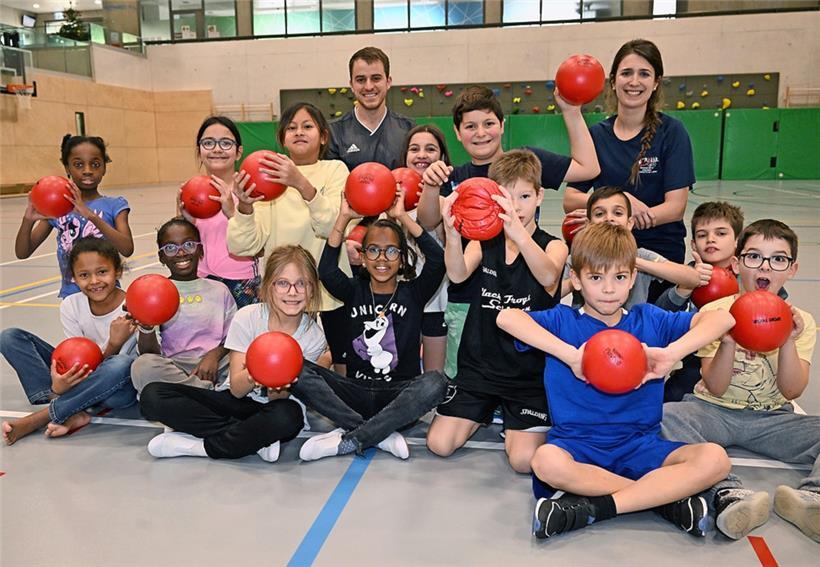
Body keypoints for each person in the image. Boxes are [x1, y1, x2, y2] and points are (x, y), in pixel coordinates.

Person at [496, 222, 734, 539]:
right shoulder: (562, 321)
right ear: (576, 280)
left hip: (641, 445)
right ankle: (662, 501)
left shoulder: (649, 319)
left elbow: (722, 317)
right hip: (577, 446)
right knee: (545, 461)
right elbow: (506, 317)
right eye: (596, 278)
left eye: (619, 277)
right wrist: (570, 356)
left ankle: (597, 508)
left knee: (715, 459)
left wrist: (670, 353)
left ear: (632, 278)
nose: (609, 289)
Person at [417, 84, 599, 379]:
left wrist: (571, 112)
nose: (481, 133)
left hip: (525, 299)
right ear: (457, 131)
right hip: (469, 301)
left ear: (502, 125)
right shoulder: (458, 177)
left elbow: (588, 168)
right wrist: (430, 185)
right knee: (468, 382)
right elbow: (428, 219)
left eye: (489, 123)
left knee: (523, 379)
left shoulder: (527, 164)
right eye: (471, 126)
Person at [662, 219, 819, 543]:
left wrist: (787, 339)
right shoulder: (715, 312)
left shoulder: (802, 321)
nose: (765, 266)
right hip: (711, 410)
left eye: (778, 259)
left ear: (792, 269)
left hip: (772, 417)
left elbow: (792, 390)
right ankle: (729, 493)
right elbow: (715, 386)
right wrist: (729, 341)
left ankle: (810, 500)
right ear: (736, 263)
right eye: (754, 257)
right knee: (663, 417)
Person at [426, 150, 567, 473]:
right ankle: (484, 411)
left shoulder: (553, 245)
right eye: (506, 197)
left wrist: (517, 232)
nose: (515, 206)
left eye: (524, 196)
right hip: (479, 369)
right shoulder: (483, 243)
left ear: (540, 196)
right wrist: (452, 235)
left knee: (522, 461)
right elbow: (459, 274)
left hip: (528, 376)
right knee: (439, 444)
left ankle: (512, 422)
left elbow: (548, 276)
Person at [290, 189, 447, 461]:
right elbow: (326, 270)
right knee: (292, 367)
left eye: (390, 251)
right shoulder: (353, 290)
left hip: (399, 397)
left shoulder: (415, 292)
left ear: (402, 259)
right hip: (355, 393)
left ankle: (354, 437)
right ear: (362, 257)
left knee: (436, 382)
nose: (382, 258)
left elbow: (437, 260)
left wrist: (401, 216)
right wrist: (343, 218)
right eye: (373, 250)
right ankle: (380, 434)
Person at [139, 245, 328, 462]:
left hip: (275, 409)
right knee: (152, 396)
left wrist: (279, 384)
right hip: (237, 401)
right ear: (268, 286)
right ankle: (254, 439)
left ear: (313, 289)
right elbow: (237, 390)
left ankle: (196, 446)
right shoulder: (247, 317)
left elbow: (280, 399)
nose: (292, 292)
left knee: (287, 417)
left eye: (302, 284)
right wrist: (256, 373)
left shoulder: (313, 337)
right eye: (283, 283)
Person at [563, 39, 695, 295]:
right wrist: (618, 205)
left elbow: (675, 207)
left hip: (658, 255)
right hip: (603, 253)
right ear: (613, 81)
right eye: (626, 73)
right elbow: (571, 198)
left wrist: (628, 218)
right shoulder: (596, 136)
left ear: (656, 82)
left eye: (644, 74)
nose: (634, 82)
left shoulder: (673, 132)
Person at [227, 102, 351, 371]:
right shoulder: (268, 175)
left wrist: (300, 183)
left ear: (323, 136)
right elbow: (242, 245)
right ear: (283, 138)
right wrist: (245, 206)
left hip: (331, 289)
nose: (299, 132)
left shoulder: (336, 170)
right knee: (287, 365)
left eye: (308, 126)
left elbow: (333, 227)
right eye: (291, 128)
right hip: (287, 293)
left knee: (342, 363)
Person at [1, 237, 138, 444]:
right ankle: (67, 406)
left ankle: (45, 415)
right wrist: (59, 382)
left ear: (117, 271)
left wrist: (114, 344)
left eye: (102, 272)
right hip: (82, 377)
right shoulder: (70, 305)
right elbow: (78, 357)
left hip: (116, 387)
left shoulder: (133, 306)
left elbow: (123, 370)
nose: (94, 281)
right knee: (10, 337)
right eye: (84, 275)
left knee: (121, 364)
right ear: (73, 278)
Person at [14, 134, 134, 298]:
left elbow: (127, 248)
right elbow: (23, 252)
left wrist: (91, 216)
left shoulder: (115, 205)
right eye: (78, 164)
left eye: (95, 164)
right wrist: (27, 221)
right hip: (71, 295)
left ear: (104, 168)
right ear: (67, 168)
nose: (87, 171)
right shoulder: (59, 209)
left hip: (107, 294)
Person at [130, 218, 236, 393]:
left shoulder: (219, 290)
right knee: (142, 366)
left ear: (200, 250)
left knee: (246, 357)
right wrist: (146, 328)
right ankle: (207, 392)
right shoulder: (155, 292)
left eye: (188, 245)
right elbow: (150, 353)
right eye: (170, 248)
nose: (181, 253)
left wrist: (214, 356)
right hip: (175, 365)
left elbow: (234, 338)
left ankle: (191, 395)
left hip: (216, 364)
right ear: (161, 257)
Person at [656, 201, 745, 401]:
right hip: (696, 363)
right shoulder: (685, 273)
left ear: (737, 240)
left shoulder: (749, 272)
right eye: (702, 235)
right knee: (669, 399)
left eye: (721, 233)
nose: (711, 239)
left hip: (746, 360)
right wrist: (685, 286)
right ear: (693, 244)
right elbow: (659, 315)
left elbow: (777, 302)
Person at [561, 186, 703, 308]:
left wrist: (632, 262)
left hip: (633, 334)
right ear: (588, 224)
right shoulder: (577, 257)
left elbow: (692, 278)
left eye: (617, 213)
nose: (609, 218)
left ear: (630, 223)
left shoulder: (641, 255)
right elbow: (552, 294)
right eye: (599, 214)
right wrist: (582, 277)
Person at [177, 116, 259, 308]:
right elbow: (182, 241)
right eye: (208, 143)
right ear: (199, 151)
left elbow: (259, 246)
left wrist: (233, 213)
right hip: (201, 279)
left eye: (225, 143)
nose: (216, 149)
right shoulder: (189, 191)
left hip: (241, 281)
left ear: (238, 152)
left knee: (243, 337)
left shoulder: (250, 189)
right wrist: (187, 223)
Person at [399, 124, 451, 372]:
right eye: (414, 149)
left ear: (442, 158)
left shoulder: (446, 202)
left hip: (436, 303)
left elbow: (433, 228)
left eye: (430, 149)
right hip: (399, 302)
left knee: (434, 378)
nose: (421, 155)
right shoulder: (388, 201)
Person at [325, 46, 415, 170]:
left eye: (376, 78)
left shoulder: (408, 129)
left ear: (388, 82)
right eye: (361, 80)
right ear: (351, 85)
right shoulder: (334, 133)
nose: (368, 86)